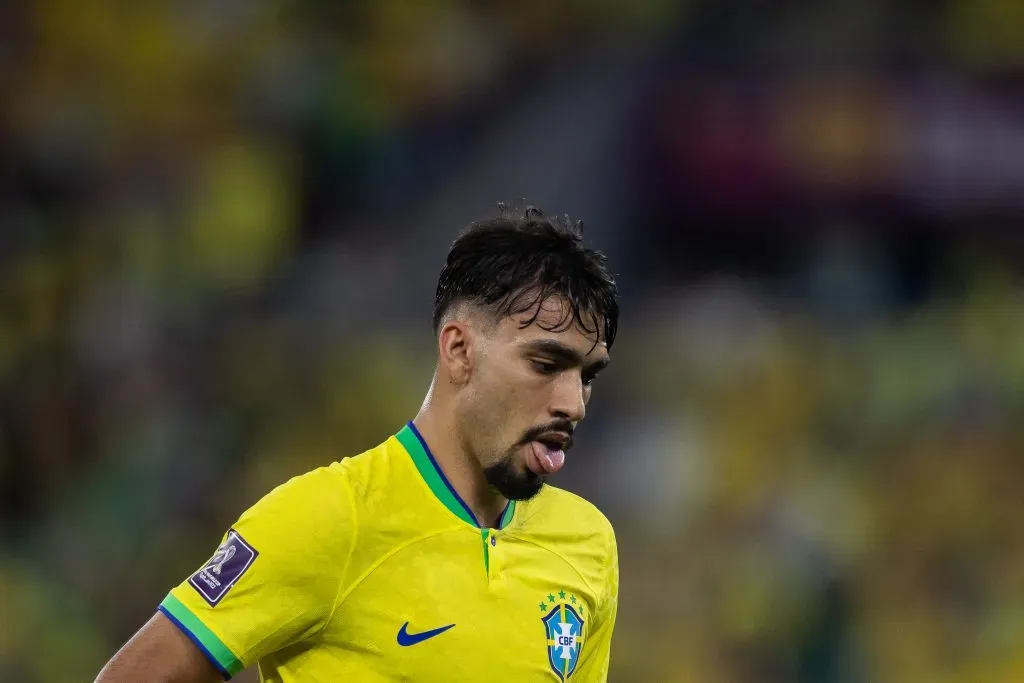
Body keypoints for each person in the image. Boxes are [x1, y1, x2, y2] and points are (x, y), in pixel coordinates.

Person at [95, 204, 621, 682]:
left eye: (587, 375)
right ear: (459, 350)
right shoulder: (328, 520)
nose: (573, 403)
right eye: (546, 364)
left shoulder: (587, 543)